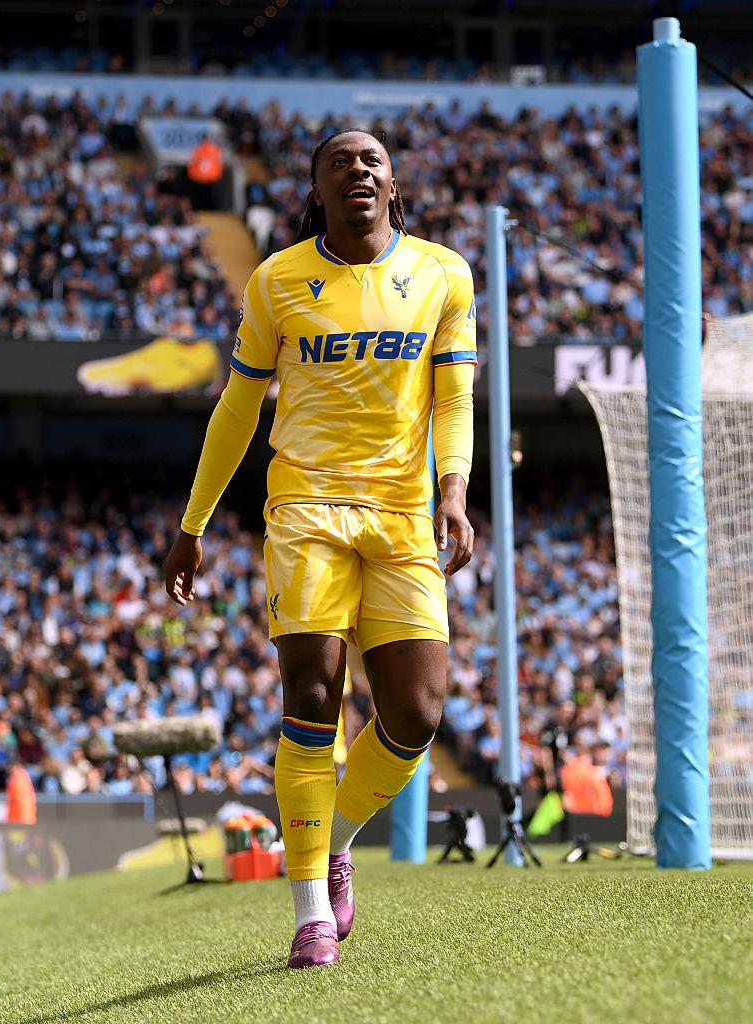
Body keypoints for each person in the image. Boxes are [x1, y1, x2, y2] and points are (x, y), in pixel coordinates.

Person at [164, 129, 476, 968]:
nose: (358, 169)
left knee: (416, 713)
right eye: (340, 161)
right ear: (317, 190)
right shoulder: (278, 279)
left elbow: (454, 398)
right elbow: (238, 409)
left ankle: (332, 840)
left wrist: (452, 489)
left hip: (403, 513)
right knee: (312, 694)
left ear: (393, 185)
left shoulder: (444, 274)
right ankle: (309, 914)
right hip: (304, 508)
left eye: (372, 160)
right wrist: (194, 524)